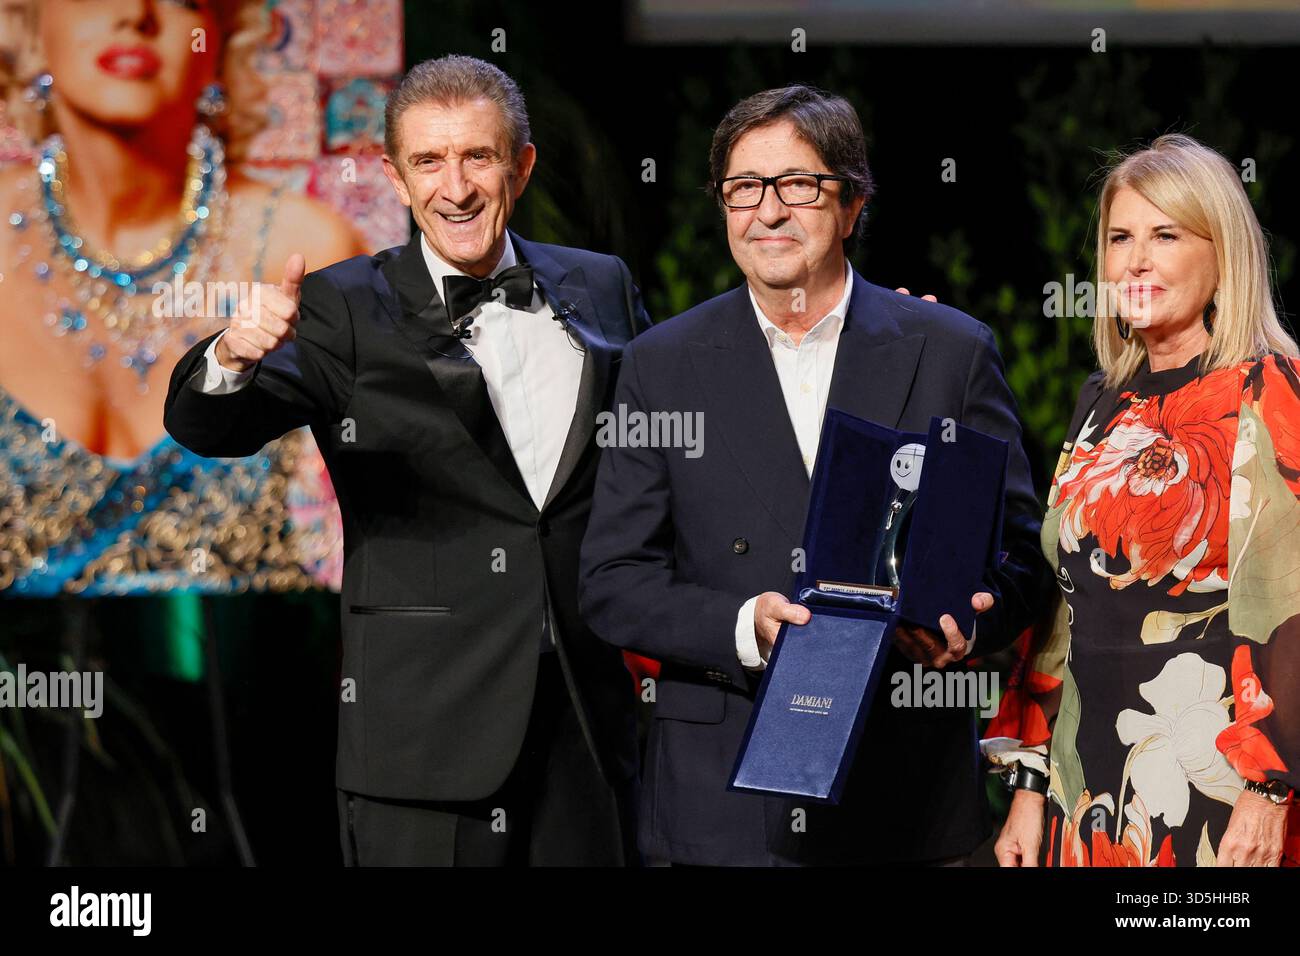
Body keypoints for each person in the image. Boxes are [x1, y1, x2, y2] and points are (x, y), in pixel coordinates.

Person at [164, 55, 648, 865]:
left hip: (587, 730)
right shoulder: (343, 306)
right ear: (394, 177)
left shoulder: (600, 284)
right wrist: (233, 355)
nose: (455, 188)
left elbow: (660, 447)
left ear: (522, 166)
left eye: (478, 157)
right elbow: (210, 425)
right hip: (426, 741)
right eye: (428, 161)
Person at [579, 84, 1050, 866]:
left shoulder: (949, 350)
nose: (768, 212)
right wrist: (742, 625)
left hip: (907, 798)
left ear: (853, 203)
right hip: (723, 801)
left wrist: (973, 621)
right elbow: (612, 581)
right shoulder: (661, 364)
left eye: (798, 185)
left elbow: (1024, 555)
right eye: (743, 189)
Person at [990, 133, 1300, 867]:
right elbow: (1063, 610)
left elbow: (1290, 603)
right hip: (1084, 788)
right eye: (1119, 238)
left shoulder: (1267, 389)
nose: (1135, 260)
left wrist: (1269, 787)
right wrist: (1030, 785)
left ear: (1224, 254)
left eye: (1166, 235)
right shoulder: (1101, 401)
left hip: (1218, 792)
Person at [0, 0, 361, 595]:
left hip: (255, 648)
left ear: (216, 45)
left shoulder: (307, 248)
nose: (136, 14)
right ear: (33, 29)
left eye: (181, 0)